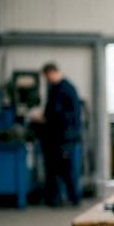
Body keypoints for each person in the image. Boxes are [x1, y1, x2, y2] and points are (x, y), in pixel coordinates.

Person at [36, 62, 82, 207]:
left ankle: (73, 197)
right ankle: (56, 198)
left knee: (67, 168)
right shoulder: (56, 88)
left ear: (52, 73)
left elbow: (64, 113)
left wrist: (46, 117)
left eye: (47, 76)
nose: (47, 80)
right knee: (55, 169)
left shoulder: (66, 89)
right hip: (58, 136)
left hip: (64, 137)